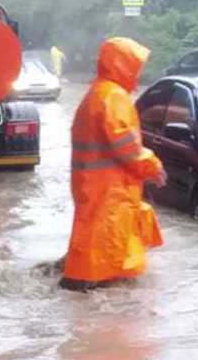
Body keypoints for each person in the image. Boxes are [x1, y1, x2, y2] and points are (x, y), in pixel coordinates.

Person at [61, 37, 166, 291]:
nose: (138, 73)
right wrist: (153, 166)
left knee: (94, 242)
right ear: (122, 65)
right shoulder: (113, 98)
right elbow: (127, 148)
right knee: (108, 248)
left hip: (94, 187)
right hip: (110, 190)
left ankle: (79, 284)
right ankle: (87, 288)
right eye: (135, 66)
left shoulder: (96, 94)